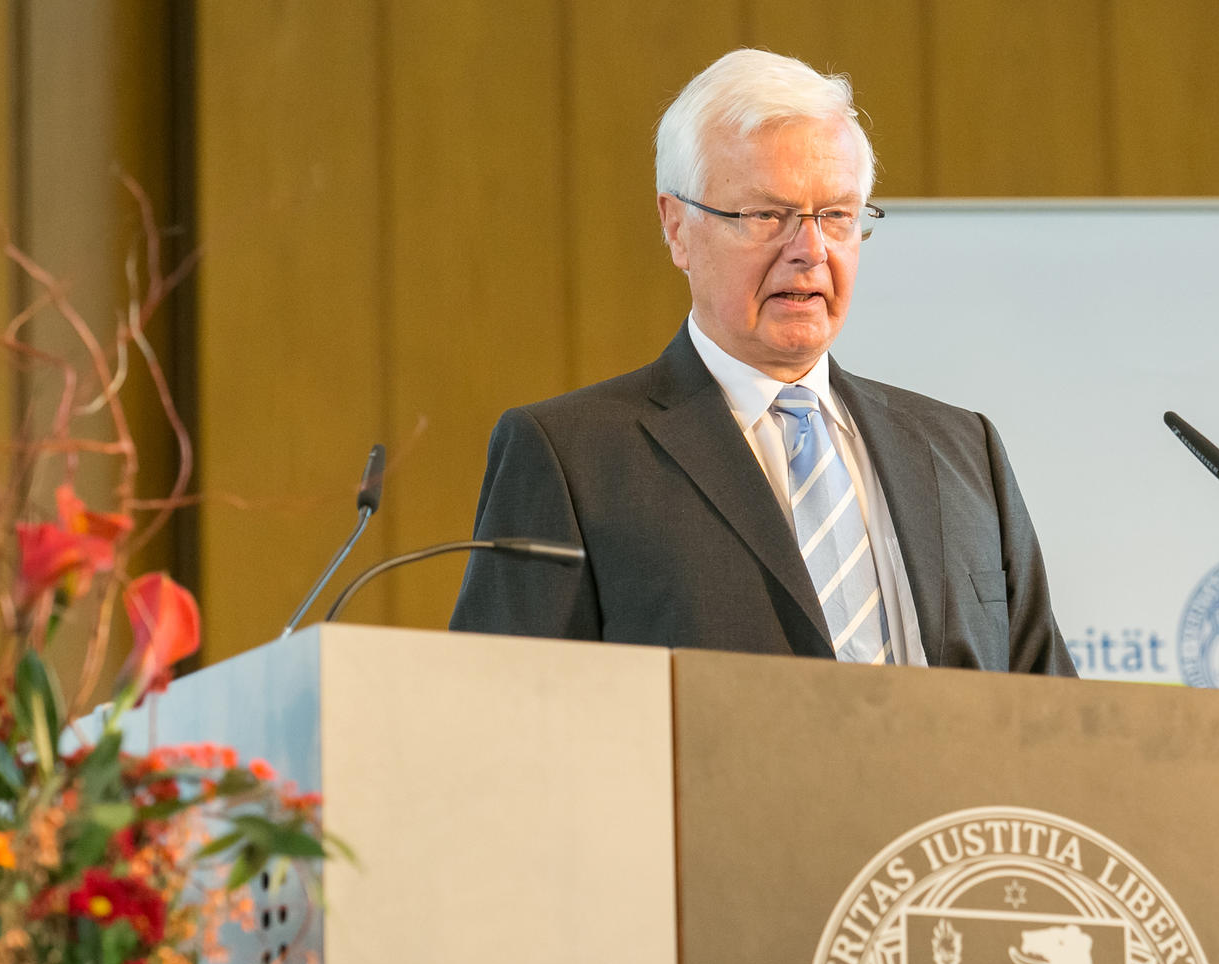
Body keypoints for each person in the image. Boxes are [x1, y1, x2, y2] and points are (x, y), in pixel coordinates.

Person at [449, 48, 1073, 674]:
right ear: (677, 228)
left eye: (835, 216)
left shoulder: (963, 449)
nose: (809, 251)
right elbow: (508, 718)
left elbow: (1054, 717)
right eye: (766, 216)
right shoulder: (573, 457)